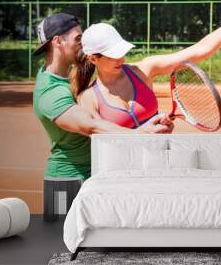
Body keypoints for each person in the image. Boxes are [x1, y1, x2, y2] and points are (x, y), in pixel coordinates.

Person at [32, 13, 173, 219]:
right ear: (58, 41)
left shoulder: (70, 78)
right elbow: (91, 126)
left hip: (96, 175)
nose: (83, 44)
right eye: (78, 39)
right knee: (59, 245)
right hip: (66, 179)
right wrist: (140, 134)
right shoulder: (50, 92)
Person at [74, 0, 221, 127]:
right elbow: (100, 143)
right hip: (119, 180)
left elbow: (202, 49)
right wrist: (145, 134)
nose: (121, 58)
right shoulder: (88, 99)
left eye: (121, 51)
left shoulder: (143, 70)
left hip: (161, 170)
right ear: (93, 59)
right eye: (113, 54)